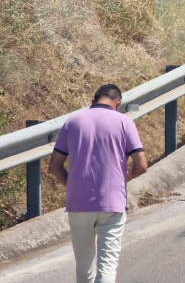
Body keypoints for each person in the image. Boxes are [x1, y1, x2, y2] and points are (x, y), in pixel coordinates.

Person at [48, 84, 148, 283]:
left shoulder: (72, 122)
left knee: (84, 269)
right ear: (118, 103)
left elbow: (54, 166)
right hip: (112, 203)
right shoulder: (124, 122)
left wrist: (72, 186)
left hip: (78, 204)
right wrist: (123, 179)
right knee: (107, 267)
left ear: (92, 101)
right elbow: (142, 165)